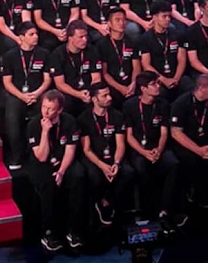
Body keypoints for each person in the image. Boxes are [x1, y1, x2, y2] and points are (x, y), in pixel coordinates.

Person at [27, 90, 86, 251]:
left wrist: (61, 171)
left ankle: (74, 230)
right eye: (44, 107)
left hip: (63, 161)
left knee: (78, 175)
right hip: (43, 164)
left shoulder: (69, 121)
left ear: (59, 110)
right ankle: (48, 233)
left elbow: (70, 150)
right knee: (48, 183)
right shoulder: (33, 125)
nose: (45, 112)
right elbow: (42, 156)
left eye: (50, 109)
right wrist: (45, 131)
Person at [78, 77, 134, 228]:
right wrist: (102, 166)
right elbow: (86, 149)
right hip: (94, 157)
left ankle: (110, 202)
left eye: (109, 94)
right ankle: (99, 204)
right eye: (105, 96)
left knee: (127, 172)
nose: (109, 98)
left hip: (113, 156)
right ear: (94, 99)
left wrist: (116, 163)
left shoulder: (117, 115)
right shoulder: (84, 119)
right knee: (94, 176)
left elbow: (120, 144)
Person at [169, 74, 208, 210]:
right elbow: (176, 133)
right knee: (191, 159)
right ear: (201, 88)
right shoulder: (181, 103)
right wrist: (198, 150)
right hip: (189, 143)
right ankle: (192, 195)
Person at [123, 73, 179, 220]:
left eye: (158, 83)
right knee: (141, 167)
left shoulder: (163, 104)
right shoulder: (129, 105)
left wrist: (159, 149)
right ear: (143, 88)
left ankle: (166, 207)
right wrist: (144, 152)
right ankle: (152, 208)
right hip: (139, 149)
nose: (158, 86)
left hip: (158, 147)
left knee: (173, 163)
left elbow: (164, 132)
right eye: (153, 84)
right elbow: (129, 136)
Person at [1, 22, 51, 170]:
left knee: (49, 107)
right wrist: (22, 96)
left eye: (36, 34)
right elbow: (7, 83)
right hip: (17, 94)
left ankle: (42, 152)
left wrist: (36, 93)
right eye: (31, 34)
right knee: (12, 116)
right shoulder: (10, 56)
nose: (36, 37)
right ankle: (16, 156)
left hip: (38, 93)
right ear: (21, 37)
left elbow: (47, 80)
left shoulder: (44, 54)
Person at [47, 20, 102, 116]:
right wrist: (78, 94)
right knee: (66, 102)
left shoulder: (92, 50)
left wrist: (90, 93)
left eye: (86, 36)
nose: (85, 40)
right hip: (68, 92)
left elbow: (96, 78)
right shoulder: (58, 54)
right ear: (70, 38)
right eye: (81, 37)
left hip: (87, 91)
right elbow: (60, 84)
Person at [139, 0, 189, 100]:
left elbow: (182, 60)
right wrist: (164, 80)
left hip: (177, 75)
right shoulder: (145, 38)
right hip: (157, 78)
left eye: (169, 16)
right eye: (164, 16)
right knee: (159, 93)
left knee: (190, 87)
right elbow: (146, 65)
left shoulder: (178, 34)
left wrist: (176, 79)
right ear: (154, 17)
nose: (168, 19)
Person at [98, 8, 140, 106]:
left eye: (124, 20)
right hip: (113, 85)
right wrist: (121, 88)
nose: (122, 23)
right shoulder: (102, 45)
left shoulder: (131, 41)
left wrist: (133, 83)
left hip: (130, 84)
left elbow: (136, 67)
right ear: (109, 23)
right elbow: (104, 73)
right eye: (117, 20)